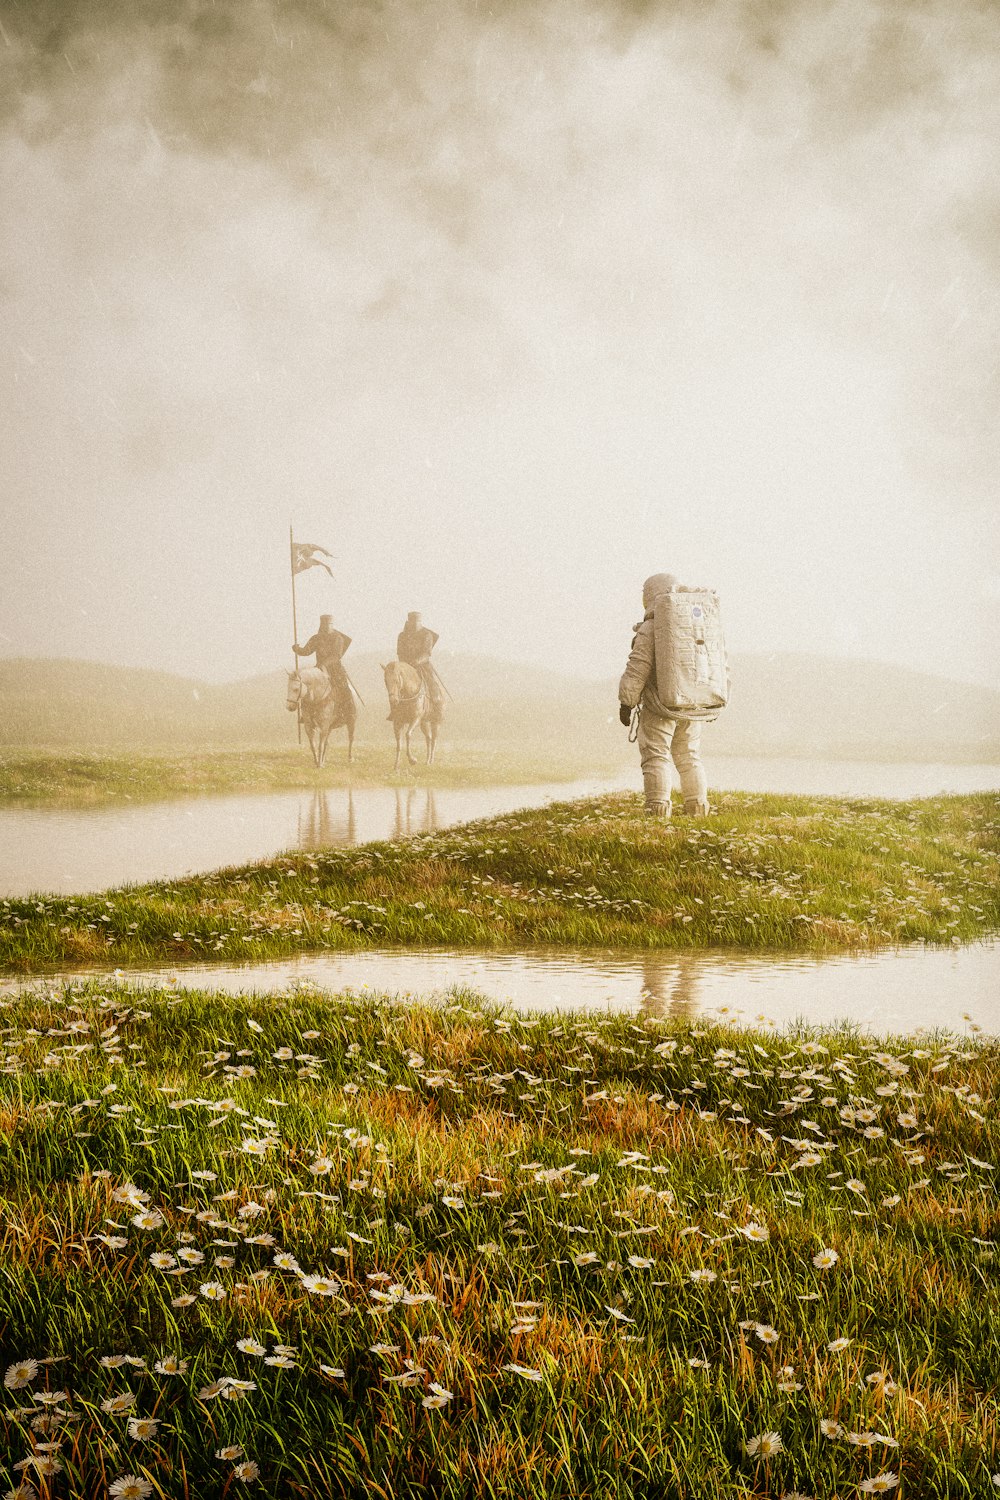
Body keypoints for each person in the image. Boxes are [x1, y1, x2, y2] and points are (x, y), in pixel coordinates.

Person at [618, 573, 710, 819]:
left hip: (660, 706)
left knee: (656, 756)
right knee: (689, 756)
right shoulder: (695, 624)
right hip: (692, 703)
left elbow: (638, 666)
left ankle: (658, 813)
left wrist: (626, 702)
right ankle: (698, 809)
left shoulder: (651, 628)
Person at [294, 615, 352, 696]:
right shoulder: (316, 638)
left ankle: (347, 707)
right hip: (319, 669)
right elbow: (307, 651)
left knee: (344, 690)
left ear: (331, 624)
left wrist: (324, 664)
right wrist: (297, 649)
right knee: (306, 686)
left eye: (327, 624)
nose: (325, 627)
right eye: (323, 624)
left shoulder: (338, 638)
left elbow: (336, 656)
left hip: (335, 669)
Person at [396, 611, 443, 705]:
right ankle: (395, 711)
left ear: (419, 622)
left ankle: (438, 710)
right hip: (405, 666)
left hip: (422, 666)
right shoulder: (402, 636)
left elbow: (426, 653)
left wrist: (416, 661)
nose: (414, 624)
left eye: (416, 622)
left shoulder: (426, 635)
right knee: (395, 686)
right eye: (412, 622)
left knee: (432, 686)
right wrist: (404, 665)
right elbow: (400, 653)